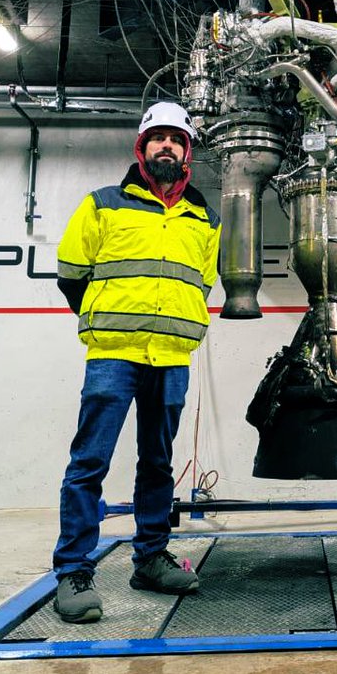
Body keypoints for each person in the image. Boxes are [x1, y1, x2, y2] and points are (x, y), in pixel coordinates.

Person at [51, 102, 221, 623]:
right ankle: (73, 570)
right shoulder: (103, 204)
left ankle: (150, 558)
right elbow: (71, 274)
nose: (166, 145)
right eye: (158, 137)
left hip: (171, 357)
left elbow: (201, 283)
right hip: (114, 355)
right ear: (141, 147)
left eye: (176, 139)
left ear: (187, 152)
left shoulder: (205, 218)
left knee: (158, 463)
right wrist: (109, 320)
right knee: (90, 463)